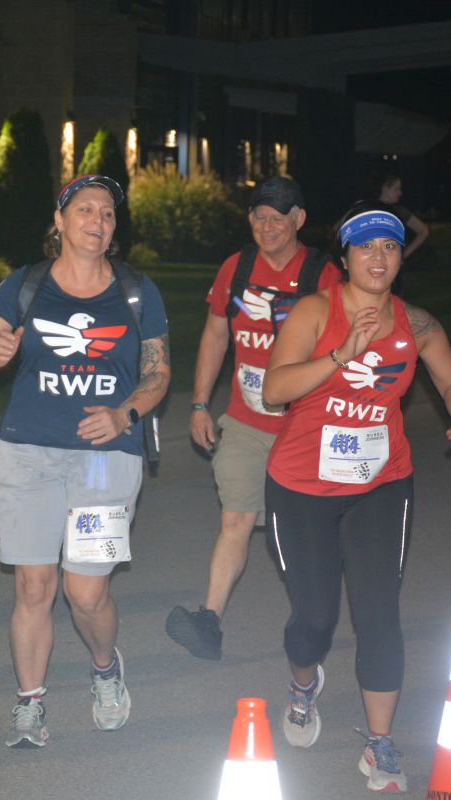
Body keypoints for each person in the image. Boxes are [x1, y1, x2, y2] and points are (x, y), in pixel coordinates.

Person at [260, 203, 451, 793]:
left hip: (380, 483)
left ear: (400, 258)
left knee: (379, 614)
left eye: (390, 246)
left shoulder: (416, 323)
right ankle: (302, 684)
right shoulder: (316, 312)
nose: (379, 256)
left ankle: (380, 742)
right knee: (315, 618)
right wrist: (341, 355)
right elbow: (274, 390)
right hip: (302, 487)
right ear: (345, 258)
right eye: (366, 246)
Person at [0, 174, 170, 748]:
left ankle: (105, 667)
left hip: (105, 459)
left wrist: (124, 413)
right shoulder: (24, 285)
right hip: (29, 452)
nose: (97, 221)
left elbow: (157, 373)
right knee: (34, 586)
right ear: (60, 220)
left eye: (107, 213)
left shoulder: (136, 292)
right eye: (85, 210)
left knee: (86, 593)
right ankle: (29, 702)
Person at [166, 176, 341, 661]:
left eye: (277, 218)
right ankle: (208, 623)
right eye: (258, 217)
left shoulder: (323, 275)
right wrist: (199, 403)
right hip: (245, 422)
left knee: (300, 533)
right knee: (235, 519)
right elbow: (216, 335)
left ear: (298, 220)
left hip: (303, 428)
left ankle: (312, 626)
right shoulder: (237, 268)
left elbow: (341, 352)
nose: (267, 227)